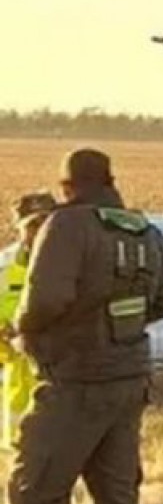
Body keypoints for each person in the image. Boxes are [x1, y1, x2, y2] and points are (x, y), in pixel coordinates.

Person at [7, 149, 163, 504]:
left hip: (75, 378)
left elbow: (44, 301)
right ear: (110, 180)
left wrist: (24, 331)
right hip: (128, 378)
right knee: (115, 487)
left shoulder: (66, 226)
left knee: (34, 484)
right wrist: (115, 325)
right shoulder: (144, 229)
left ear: (66, 187)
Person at [1, 190, 57, 450]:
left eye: (46, 222)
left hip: (60, 373)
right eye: (32, 224)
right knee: (19, 449)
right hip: (18, 374)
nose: (39, 231)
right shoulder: (3, 267)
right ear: (19, 227)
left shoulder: (71, 262)